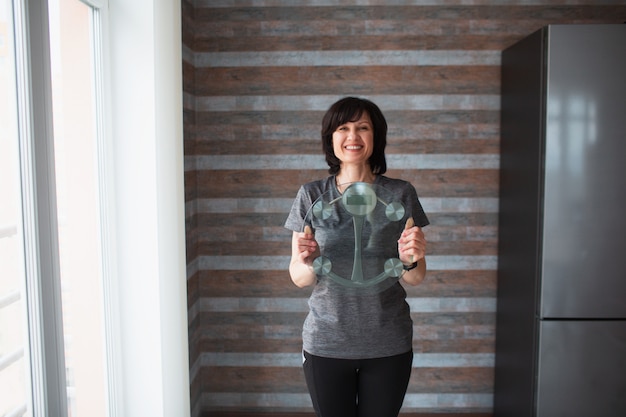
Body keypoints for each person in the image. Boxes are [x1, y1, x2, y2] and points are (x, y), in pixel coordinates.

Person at [284, 96, 429, 417]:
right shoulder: (311, 195)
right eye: (343, 128)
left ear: (376, 137)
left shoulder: (401, 193)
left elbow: (415, 276)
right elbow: (299, 277)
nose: (353, 136)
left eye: (363, 128)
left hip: (388, 341)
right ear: (330, 138)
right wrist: (307, 260)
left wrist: (412, 257)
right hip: (327, 342)